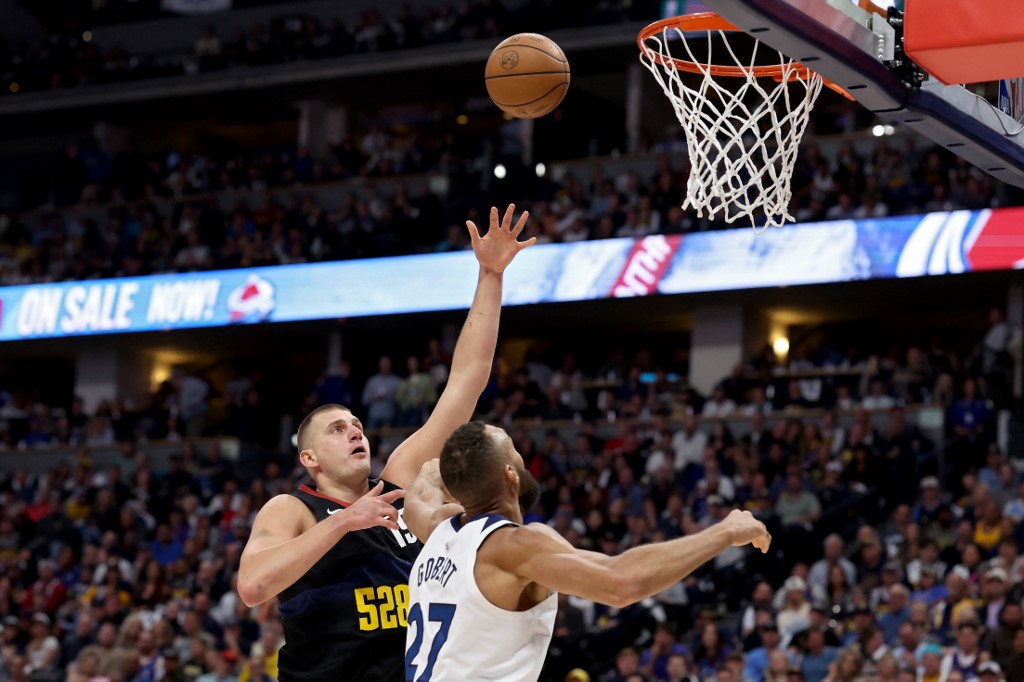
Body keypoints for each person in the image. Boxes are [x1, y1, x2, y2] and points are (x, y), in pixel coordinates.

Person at [236, 205, 534, 681]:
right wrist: (343, 523)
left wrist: (491, 275)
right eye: (336, 429)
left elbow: (467, 381)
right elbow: (252, 586)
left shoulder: (400, 482)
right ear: (307, 457)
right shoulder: (291, 509)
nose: (355, 431)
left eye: (355, 424)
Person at [402, 421, 771, 682]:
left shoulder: (435, 528)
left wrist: (440, 474)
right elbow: (621, 582)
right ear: (510, 475)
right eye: (513, 449)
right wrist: (724, 531)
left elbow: (418, 491)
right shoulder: (513, 546)